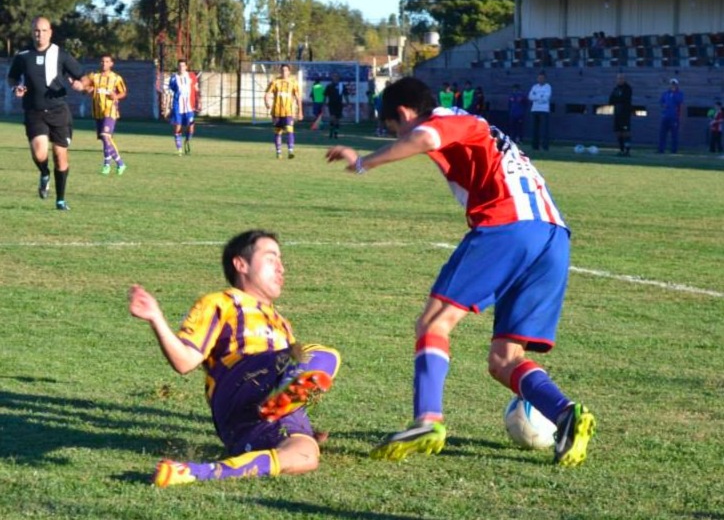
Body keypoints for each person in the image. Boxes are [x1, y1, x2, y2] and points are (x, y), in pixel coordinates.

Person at [326, 77, 595, 467]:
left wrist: (364, 162)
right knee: (504, 359)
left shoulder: (446, 119)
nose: (397, 135)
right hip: (553, 237)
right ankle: (566, 414)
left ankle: (427, 421)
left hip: (509, 225)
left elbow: (425, 139)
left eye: (393, 127)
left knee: (433, 323)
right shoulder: (474, 127)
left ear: (402, 114)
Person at [128, 229, 341, 488]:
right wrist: (156, 318)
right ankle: (280, 408)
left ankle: (194, 472)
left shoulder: (282, 324)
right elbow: (184, 361)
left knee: (305, 456)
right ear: (241, 264)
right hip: (239, 386)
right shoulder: (222, 302)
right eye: (271, 258)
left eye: (281, 261)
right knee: (323, 355)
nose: (281, 268)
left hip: (246, 424)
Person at [6, 16, 87, 211]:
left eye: (43, 30)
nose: (39, 34)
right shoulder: (23, 56)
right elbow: (12, 77)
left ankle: (60, 200)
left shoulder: (61, 54)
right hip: (34, 111)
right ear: (31, 32)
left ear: (50, 32)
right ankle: (44, 173)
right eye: (36, 30)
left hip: (59, 112)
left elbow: (83, 77)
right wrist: (16, 87)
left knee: (60, 156)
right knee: (40, 153)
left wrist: (81, 84)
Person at [84, 54, 128, 175]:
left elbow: (123, 92)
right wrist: (85, 88)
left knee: (105, 135)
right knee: (105, 140)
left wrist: (116, 96)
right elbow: (87, 89)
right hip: (97, 112)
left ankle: (110, 164)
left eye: (107, 61)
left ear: (111, 64)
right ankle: (118, 164)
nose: (104, 63)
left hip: (110, 110)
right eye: (102, 61)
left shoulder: (116, 78)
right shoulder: (94, 76)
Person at [264, 63, 303, 158]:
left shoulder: (294, 83)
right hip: (276, 112)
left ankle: (290, 151)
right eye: (282, 70)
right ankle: (279, 152)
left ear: (289, 72)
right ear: (280, 71)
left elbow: (298, 98)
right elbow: (267, 94)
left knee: (290, 130)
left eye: (286, 70)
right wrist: (266, 102)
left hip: (288, 112)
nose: (284, 72)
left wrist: (300, 111)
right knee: (278, 132)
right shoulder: (275, 82)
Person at [166, 59, 200, 156]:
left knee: (191, 128)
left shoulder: (192, 76)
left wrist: (198, 101)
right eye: (179, 66)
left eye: (183, 66)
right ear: (178, 67)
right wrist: (167, 107)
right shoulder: (174, 78)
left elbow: (196, 89)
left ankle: (187, 141)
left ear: (186, 67)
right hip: (178, 106)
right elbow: (169, 93)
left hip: (189, 107)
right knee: (177, 127)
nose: (181, 68)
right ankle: (179, 149)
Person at [608, 73, 633, 157]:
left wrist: (618, 99)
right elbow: (611, 100)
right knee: (618, 132)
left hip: (625, 114)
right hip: (617, 113)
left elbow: (625, 99)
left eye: (621, 78)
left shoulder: (627, 88)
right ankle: (621, 150)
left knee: (625, 132)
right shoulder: (616, 89)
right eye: (618, 78)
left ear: (624, 79)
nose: (620, 80)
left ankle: (627, 150)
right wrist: (618, 99)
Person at [658, 78, 684, 154]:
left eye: (674, 84)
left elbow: (679, 101)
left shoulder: (679, 93)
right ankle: (661, 149)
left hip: (674, 117)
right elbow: (661, 101)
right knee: (662, 134)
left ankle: (674, 150)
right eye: (671, 84)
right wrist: (663, 105)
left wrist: (674, 94)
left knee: (674, 134)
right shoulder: (666, 93)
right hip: (665, 116)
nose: (673, 85)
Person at [528, 71, 552, 151]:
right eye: (539, 78)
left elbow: (546, 99)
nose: (540, 79)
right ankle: (535, 146)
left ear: (545, 79)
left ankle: (545, 146)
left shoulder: (548, 87)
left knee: (544, 129)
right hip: (535, 109)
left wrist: (536, 97)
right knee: (535, 129)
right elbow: (530, 97)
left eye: (542, 78)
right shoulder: (535, 87)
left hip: (544, 110)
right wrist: (540, 97)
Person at [323, 72, 349, 139]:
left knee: (337, 119)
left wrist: (347, 102)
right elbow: (325, 95)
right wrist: (324, 103)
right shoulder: (329, 86)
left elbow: (345, 95)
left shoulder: (342, 86)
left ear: (338, 78)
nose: (335, 78)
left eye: (337, 76)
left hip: (339, 104)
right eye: (334, 76)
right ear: (332, 78)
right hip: (331, 104)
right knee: (332, 118)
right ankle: (331, 131)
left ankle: (336, 133)